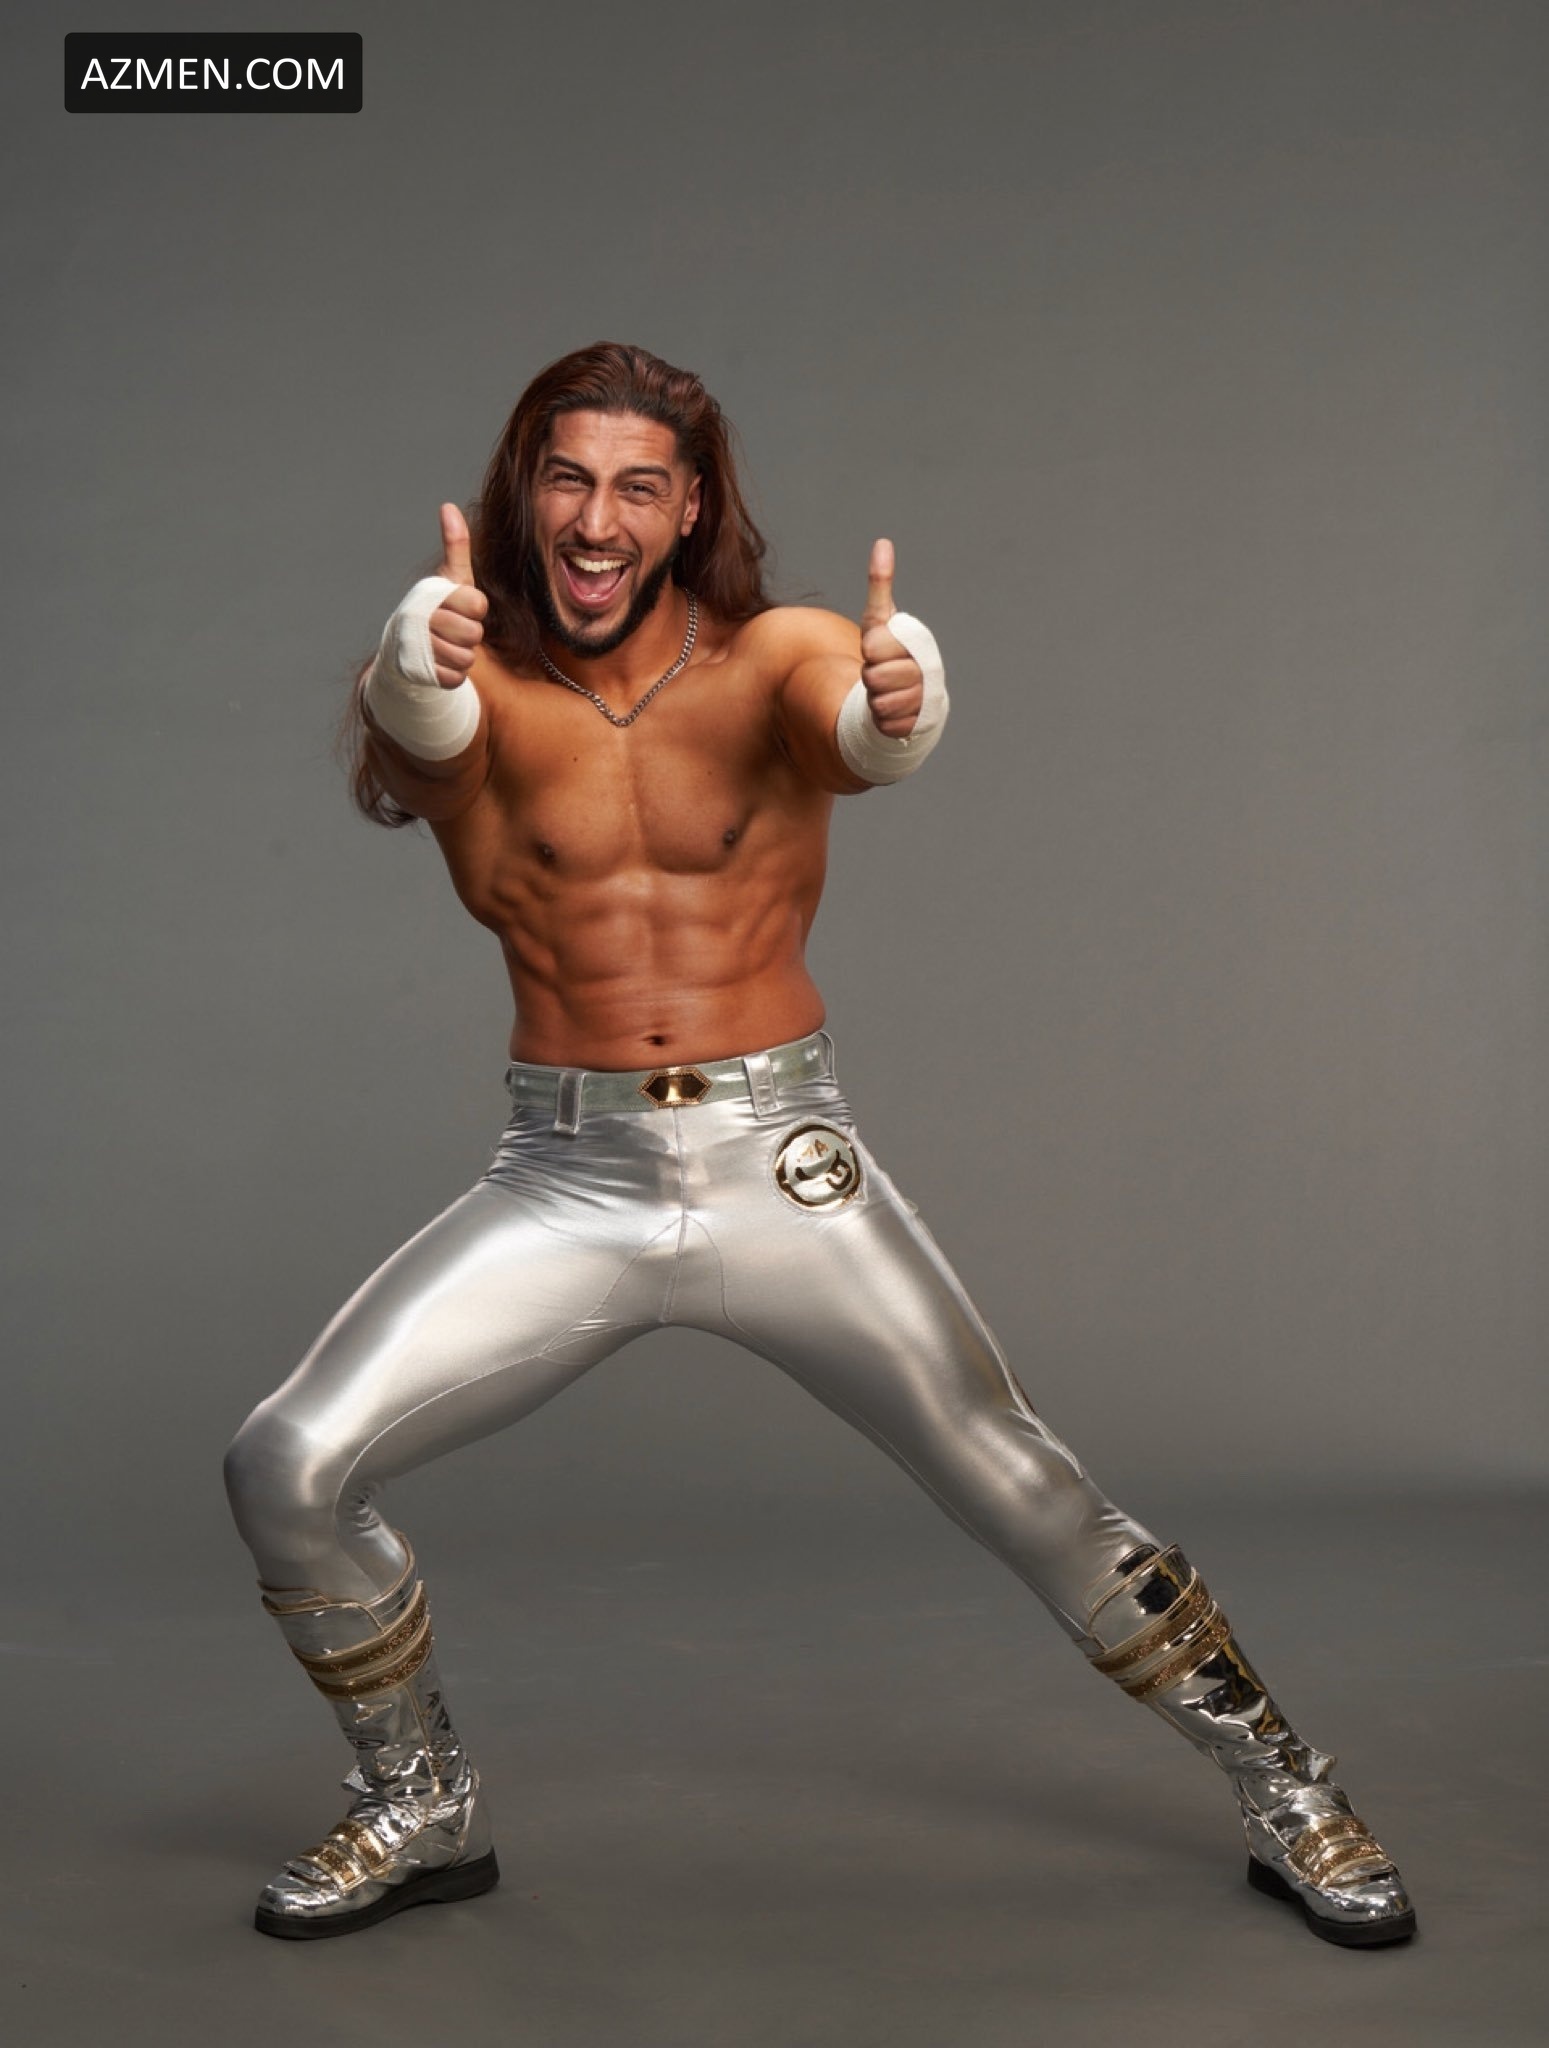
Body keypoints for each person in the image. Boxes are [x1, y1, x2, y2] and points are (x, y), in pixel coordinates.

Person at [223, 341, 1415, 1948]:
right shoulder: (471, 680)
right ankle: (422, 1805)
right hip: (569, 1178)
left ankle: (1289, 1789)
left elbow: (853, 728)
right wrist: (406, 658)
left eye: (635, 487)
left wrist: (899, 695)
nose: (595, 518)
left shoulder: (772, 654)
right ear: (524, 495)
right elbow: (420, 747)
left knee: (1021, 1480)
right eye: (567, 480)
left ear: (687, 509)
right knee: (286, 1465)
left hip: (778, 1160)